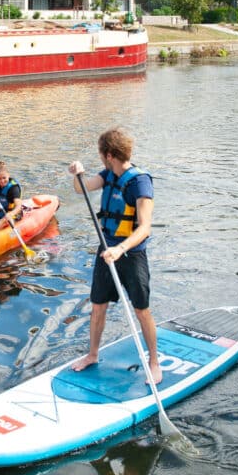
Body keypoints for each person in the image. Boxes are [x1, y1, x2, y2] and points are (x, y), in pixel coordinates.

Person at [67, 128, 159, 383]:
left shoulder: (140, 182)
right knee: (98, 306)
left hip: (131, 255)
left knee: (142, 310)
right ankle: (92, 354)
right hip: (106, 251)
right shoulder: (108, 175)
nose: (100, 158)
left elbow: (145, 228)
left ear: (108, 154)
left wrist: (120, 249)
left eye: (100, 154)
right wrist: (77, 173)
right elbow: (81, 189)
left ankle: (153, 361)